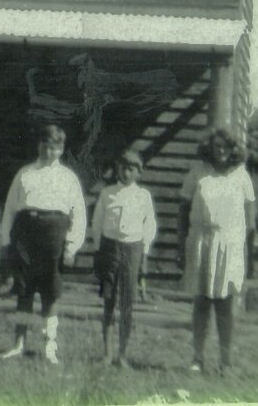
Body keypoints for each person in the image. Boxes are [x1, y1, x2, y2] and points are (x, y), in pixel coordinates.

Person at [0, 124, 86, 363]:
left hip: (54, 237)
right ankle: (19, 343)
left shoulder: (68, 178)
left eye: (54, 148)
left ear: (61, 150)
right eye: (45, 146)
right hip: (26, 235)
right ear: (39, 145)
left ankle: (50, 346)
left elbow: (78, 214)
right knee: (23, 292)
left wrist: (72, 245)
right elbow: (9, 210)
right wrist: (6, 240)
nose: (48, 152)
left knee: (51, 294)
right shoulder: (24, 173)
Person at [185, 128, 255, 374]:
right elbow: (183, 209)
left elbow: (250, 216)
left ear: (233, 149)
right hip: (202, 241)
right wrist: (179, 245)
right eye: (217, 147)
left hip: (231, 243)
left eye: (226, 147)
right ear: (209, 148)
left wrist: (249, 250)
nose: (221, 151)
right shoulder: (198, 172)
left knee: (226, 304)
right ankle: (197, 357)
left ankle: (226, 361)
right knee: (201, 302)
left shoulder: (241, 176)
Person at [90, 150, 157, 368]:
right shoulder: (107, 193)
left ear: (139, 172)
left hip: (133, 249)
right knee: (108, 301)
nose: (126, 173)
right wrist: (98, 248)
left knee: (127, 303)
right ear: (117, 169)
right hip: (110, 248)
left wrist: (144, 251)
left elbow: (149, 226)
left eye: (131, 169)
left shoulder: (143, 196)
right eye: (123, 168)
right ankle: (107, 353)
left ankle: (123, 354)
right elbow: (97, 222)